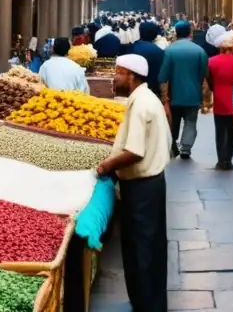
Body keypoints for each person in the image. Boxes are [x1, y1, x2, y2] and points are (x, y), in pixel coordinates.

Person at [95, 54, 170, 312]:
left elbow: (135, 151)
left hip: (142, 187)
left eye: (118, 72)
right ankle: (149, 300)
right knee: (150, 243)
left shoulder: (140, 105)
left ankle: (147, 303)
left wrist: (106, 165)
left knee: (142, 246)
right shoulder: (145, 99)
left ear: (132, 75)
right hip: (151, 184)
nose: (113, 77)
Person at [160, 21, 208, 160]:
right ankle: (186, 148)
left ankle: (172, 144)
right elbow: (204, 74)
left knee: (173, 121)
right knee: (190, 122)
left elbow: (163, 76)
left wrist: (164, 97)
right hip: (193, 94)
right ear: (190, 33)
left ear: (176, 33)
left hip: (173, 94)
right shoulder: (199, 51)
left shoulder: (169, 50)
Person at [206, 32, 233, 171]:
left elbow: (209, 80)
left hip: (220, 99)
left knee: (220, 131)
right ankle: (229, 158)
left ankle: (221, 159)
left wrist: (213, 88)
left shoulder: (211, 61)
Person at [132, 21, 166, 97]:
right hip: (153, 93)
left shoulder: (131, 48)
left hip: (133, 91)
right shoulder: (159, 52)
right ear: (155, 35)